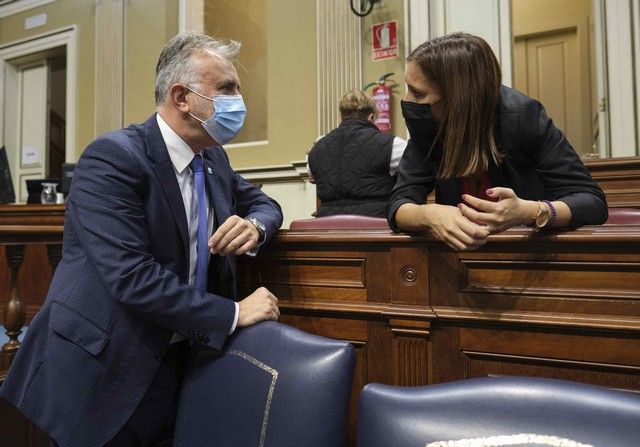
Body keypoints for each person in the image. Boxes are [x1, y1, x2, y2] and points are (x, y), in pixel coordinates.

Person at [0, 32, 283, 447]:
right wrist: (234, 314)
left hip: (178, 359)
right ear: (182, 97)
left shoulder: (212, 157)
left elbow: (264, 202)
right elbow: (132, 277)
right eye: (226, 88)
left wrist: (255, 226)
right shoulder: (113, 158)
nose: (238, 100)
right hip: (104, 366)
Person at [388, 32, 607, 250]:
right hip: (460, 261)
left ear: (457, 99)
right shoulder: (428, 128)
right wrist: (428, 214)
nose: (407, 101)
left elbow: (592, 202)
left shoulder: (522, 116)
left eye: (417, 93)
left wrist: (532, 212)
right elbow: (399, 204)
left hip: (532, 256)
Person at [308, 88, 407, 217]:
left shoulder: (316, 149)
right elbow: (415, 169)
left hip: (329, 230)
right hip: (377, 229)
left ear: (342, 116)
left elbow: (312, 177)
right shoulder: (394, 145)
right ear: (371, 116)